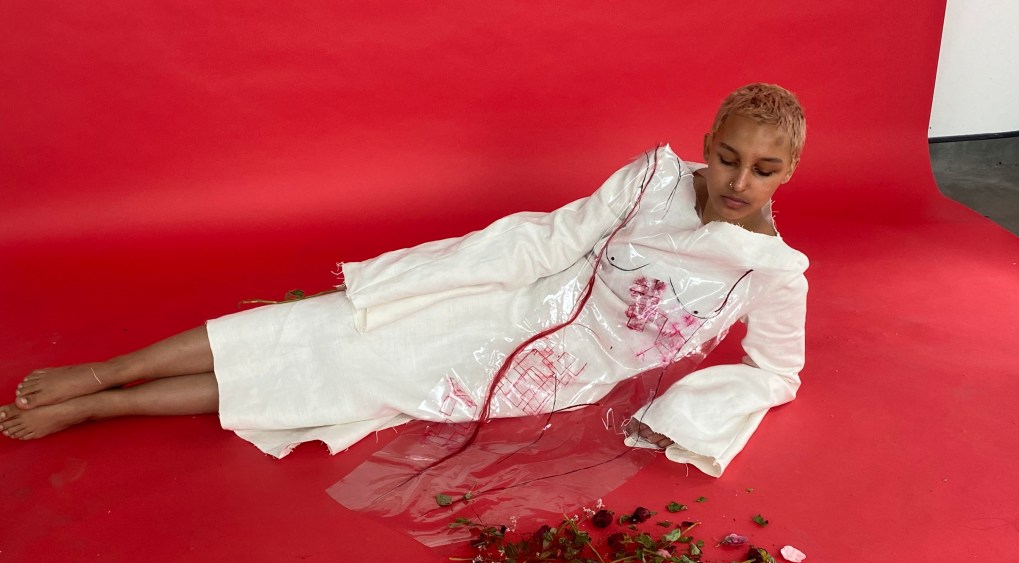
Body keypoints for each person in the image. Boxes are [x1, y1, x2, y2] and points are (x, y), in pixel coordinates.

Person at [1, 83, 807, 478]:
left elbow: (779, 372)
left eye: (764, 169)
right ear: (709, 139)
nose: (739, 181)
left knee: (334, 377)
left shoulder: (772, 271)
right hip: (513, 299)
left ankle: (104, 406)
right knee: (323, 323)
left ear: (790, 171)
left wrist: (688, 412)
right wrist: (432, 276)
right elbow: (552, 240)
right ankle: (105, 372)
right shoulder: (651, 180)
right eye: (728, 157)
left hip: (546, 370)